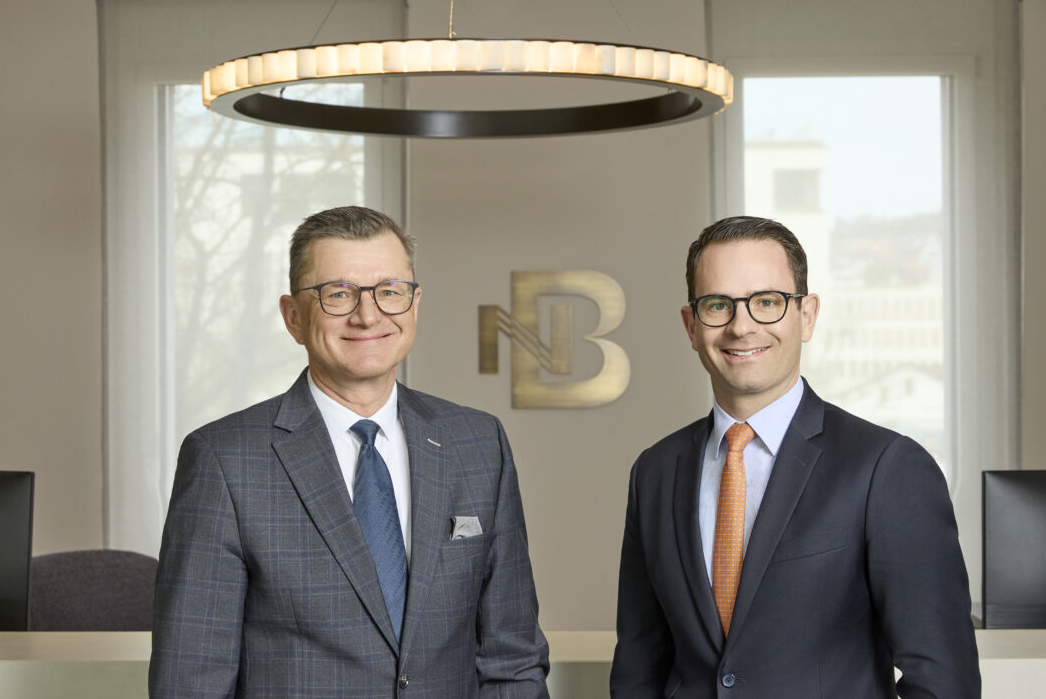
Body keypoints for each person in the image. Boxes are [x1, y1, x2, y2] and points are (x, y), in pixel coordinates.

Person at [150, 206, 549, 698]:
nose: (368, 315)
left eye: (389, 291)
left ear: (414, 304)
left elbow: (512, 659)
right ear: (293, 317)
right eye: (338, 293)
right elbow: (190, 680)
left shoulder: (477, 443)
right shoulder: (224, 460)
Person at [610, 216, 979, 698]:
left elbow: (943, 678)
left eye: (767, 302)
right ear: (691, 325)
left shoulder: (887, 468)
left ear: (807, 315)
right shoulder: (655, 472)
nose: (742, 326)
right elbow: (638, 668)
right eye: (718, 305)